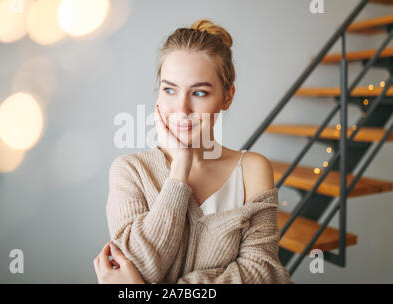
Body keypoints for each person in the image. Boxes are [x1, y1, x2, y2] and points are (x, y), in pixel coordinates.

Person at [94, 19, 293, 284]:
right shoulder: (129, 170)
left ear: (227, 97)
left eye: (199, 92)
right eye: (169, 90)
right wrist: (180, 168)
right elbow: (138, 268)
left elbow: (263, 274)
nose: (182, 109)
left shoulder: (252, 169)